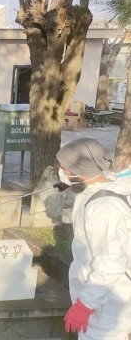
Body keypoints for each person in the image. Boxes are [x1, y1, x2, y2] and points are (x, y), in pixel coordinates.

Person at [56, 138, 131, 339]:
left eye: (64, 168)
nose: (62, 173)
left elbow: (112, 262)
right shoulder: (100, 185)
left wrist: (85, 305)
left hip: (108, 308)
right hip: (100, 299)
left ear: (80, 170)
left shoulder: (104, 208)